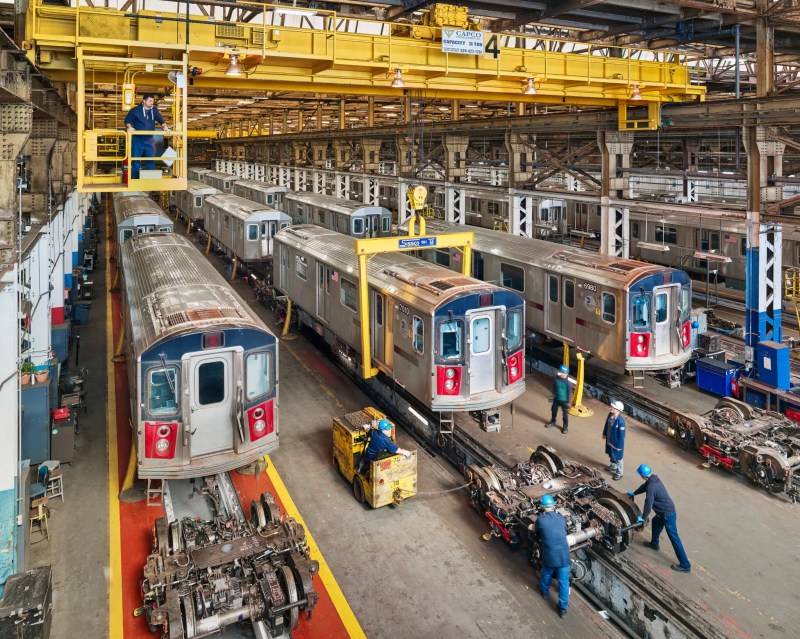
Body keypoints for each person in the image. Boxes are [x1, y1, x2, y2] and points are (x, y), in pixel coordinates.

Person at [628, 464, 691, 573]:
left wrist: (643, 517)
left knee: (674, 537)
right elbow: (644, 487)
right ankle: (654, 544)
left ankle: (685, 565)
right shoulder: (653, 479)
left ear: (643, 475)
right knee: (656, 521)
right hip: (664, 513)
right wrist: (635, 492)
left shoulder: (652, 487)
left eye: (640, 475)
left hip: (667, 514)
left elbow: (648, 503)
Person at [534, 494, 571, 618]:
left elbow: (536, 531)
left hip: (550, 556)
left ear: (542, 507)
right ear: (554, 506)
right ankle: (563, 609)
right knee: (564, 583)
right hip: (564, 556)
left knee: (546, 574)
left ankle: (544, 592)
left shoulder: (541, 520)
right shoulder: (561, 518)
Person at [124, 94, 170, 179]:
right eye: (150, 101)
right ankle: (134, 179)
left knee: (150, 160)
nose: (152, 103)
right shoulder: (135, 110)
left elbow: (160, 120)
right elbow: (128, 121)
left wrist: (165, 128)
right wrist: (129, 127)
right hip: (137, 139)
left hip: (149, 139)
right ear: (144, 101)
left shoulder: (154, 110)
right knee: (135, 160)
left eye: (152, 101)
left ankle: (150, 180)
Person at [602, 400, 626, 481]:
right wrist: (604, 433)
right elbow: (606, 424)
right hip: (609, 440)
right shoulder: (610, 415)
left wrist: (618, 447)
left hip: (616, 444)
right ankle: (613, 467)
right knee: (611, 455)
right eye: (612, 406)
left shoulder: (621, 422)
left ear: (618, 410)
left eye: (614, 407)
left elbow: (622, 436)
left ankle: (620, 473)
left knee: (618, 459)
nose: (611, 408)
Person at [546, 365, 570, 434]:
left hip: (564, 401)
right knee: (554, 411)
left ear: (567, 374)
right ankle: (553, 422)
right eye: (562, 372)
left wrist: (567, 402)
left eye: (564, 373)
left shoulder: (568, 383)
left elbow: (569, 392)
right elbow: (554, 387)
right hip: (556, 399)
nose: (563, 374)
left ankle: (565, 427)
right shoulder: (556, 379)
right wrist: (552, 395)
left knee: (565, 415)